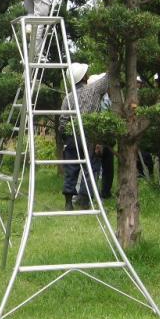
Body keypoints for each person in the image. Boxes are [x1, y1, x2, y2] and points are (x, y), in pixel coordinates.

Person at [59, 64, 109, 210]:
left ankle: (68, 202)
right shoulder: (94, 89)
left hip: (71, 136)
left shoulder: (67, 98)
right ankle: (85, 200)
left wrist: (66, 139)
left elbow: (62, 121)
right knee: (91, 167)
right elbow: (108, 77)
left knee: (71, 169)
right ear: (84, 77)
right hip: (89, 135)